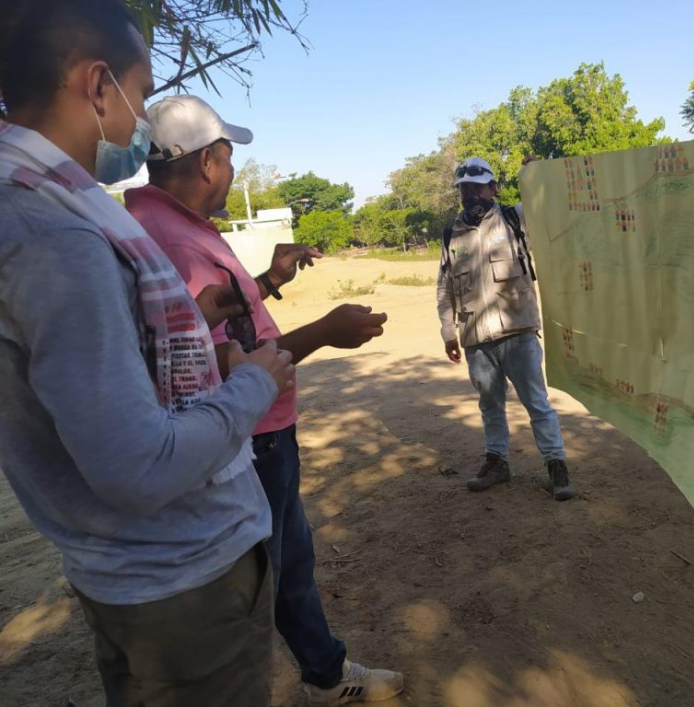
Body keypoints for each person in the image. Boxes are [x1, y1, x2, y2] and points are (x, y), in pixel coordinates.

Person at [0, 1, 297, 705]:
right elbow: (137, 465)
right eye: (142, 90)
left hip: (134, 573)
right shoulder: (61, 236)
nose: (142, 118)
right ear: (98, 85)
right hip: (181, 579)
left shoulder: (43, 208)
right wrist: (252, 384)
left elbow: (107, 372)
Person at [125, 95, 404, 706]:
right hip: (250, 436)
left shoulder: (171, 226)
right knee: (259, 577)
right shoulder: (173, 241)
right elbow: (220, 363)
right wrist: (324, 332)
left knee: (290, 560)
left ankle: (325, 673)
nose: (231, 171)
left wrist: (271, 280)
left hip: (264, 427)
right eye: (228, 158)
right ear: (207, 162)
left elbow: (213, 321)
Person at [437, 156, 575, 501]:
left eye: (478, 187)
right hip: (476, 339)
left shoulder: (516, 218)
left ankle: (556, 465)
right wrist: (448, 331)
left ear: (493, 188)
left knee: (537, 403)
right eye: (464, 189)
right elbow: (445, 287)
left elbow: (552, 205)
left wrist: (537, 174)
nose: (471, 195)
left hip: (519, 332)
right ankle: (497, 462)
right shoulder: (451, 234)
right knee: (490, 405)